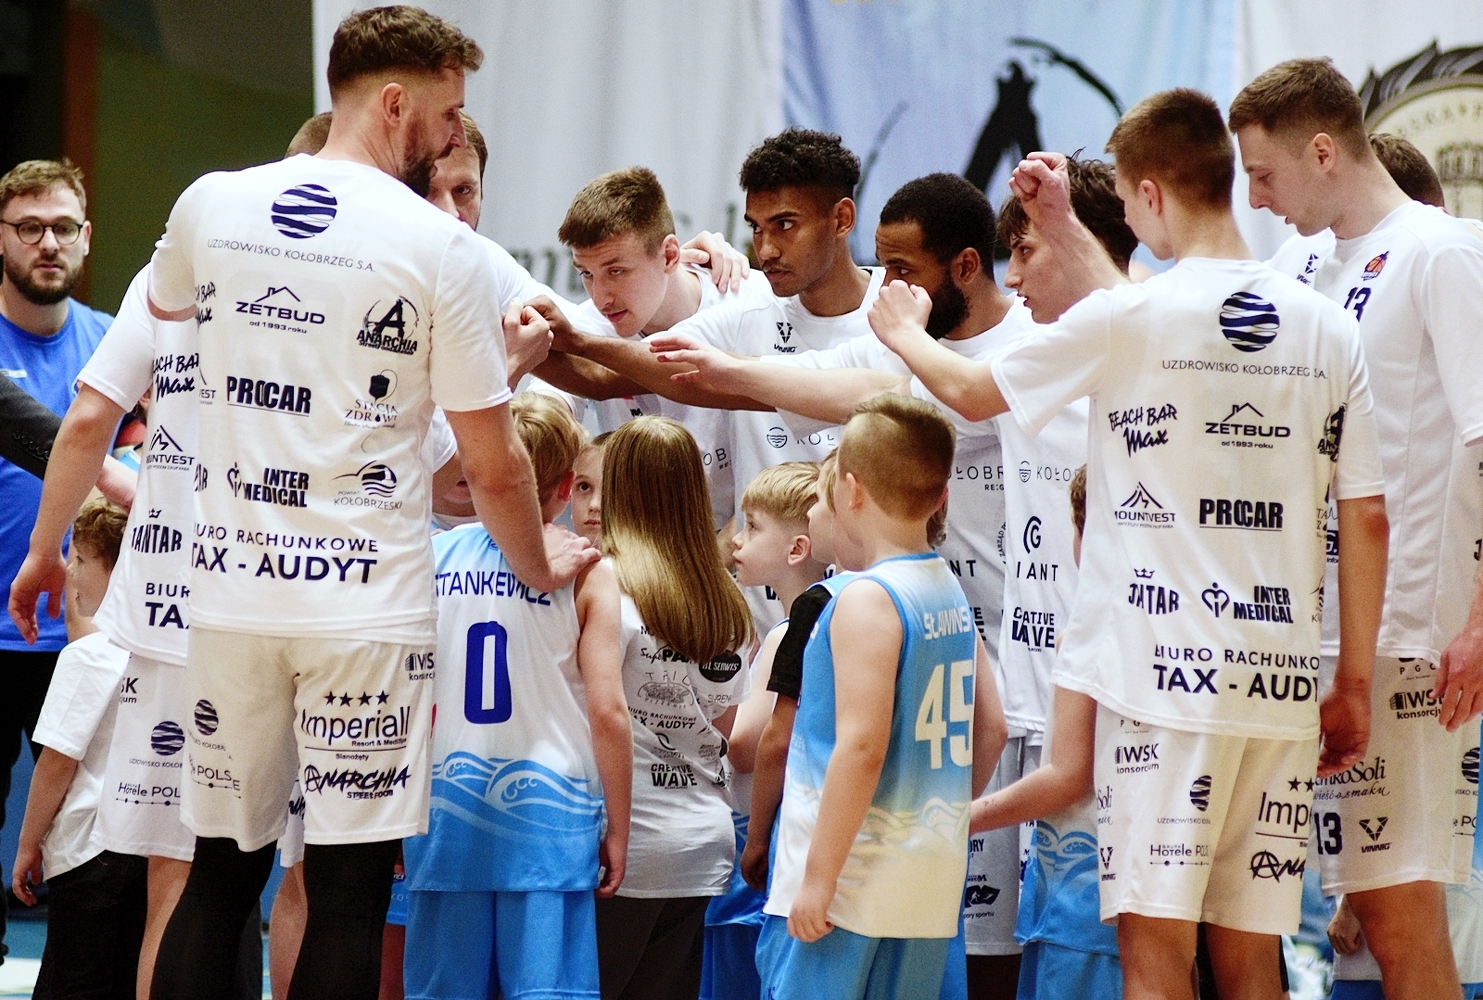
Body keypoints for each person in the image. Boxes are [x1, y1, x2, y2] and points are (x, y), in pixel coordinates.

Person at [22, 8, 597, 997]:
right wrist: (537, 564)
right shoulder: (440, 246)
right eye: (448, 114)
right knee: (345, 892)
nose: (452, 137)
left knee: (216, 875)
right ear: (395, 103)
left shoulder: (210, 203)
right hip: (365, 616)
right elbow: (497, 468)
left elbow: (159, 332)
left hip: (229, 602)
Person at [865, 89, 1391, 1000]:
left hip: (1160, 692)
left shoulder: (1129, 320)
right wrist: (1348, 683)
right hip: (1277, 690)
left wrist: (904, 333)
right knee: (1248, 962)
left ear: (1147, 195)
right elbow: (1368, 517)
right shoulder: (1324, 322)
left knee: (1152, 962)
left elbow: (973, 390)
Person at [1231, 58, 1483, 1000]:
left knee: (1396, 917)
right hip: (1303, 637)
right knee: (1258, 907)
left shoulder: (1439, 252)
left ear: (1322, 151)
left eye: (1264, 175)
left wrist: (1479, 622)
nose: (1256, 199)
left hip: (1408, 642)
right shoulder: (1295, 264)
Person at [543, 129, 886, 631]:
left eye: (784, 225)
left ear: (842, 219)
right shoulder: (747, 306)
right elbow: (640, 371)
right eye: (756, 228)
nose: (766, 248)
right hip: (756, 622)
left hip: (873, 605)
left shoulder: (899, 313)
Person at [758, 394, 1005, 1000]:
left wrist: (819, 880)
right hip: (926, 881)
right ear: (942, 496)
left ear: (851, 490)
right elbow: (992, 728)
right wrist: (941, 817)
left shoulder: (865, 597)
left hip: (848, 882)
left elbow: (862, 745)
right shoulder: (947, 586)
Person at [401, 393, 631, 1000]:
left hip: (443, 811)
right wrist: (620, 828)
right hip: (551, 820)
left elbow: (400, 689)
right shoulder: (588, 571)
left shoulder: (430, 556)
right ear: (566, 487)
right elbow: (608, 712)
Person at [595, 416, 753, 1000]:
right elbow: (724, 726)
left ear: (618, 488)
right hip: (701, 843)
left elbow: (601, 713)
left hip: (624, 844)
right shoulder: (726, 598)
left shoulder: (603, 581)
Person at [0, 156, 114, 953]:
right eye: (29, 227)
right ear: (1, 238)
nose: (48, 243)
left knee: (86, 837)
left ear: (86, 237)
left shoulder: (117, 349)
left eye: (63, 227)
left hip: (85, 637)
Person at [532, 166, 773, 527]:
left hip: (748, 544)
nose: (601, 297)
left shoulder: (752, 303)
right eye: (586, 274)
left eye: (616, 271)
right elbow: (546, 410)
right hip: (637, 547)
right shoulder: (585, 323)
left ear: (670, 256)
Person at [969, 465, 1122, 1000]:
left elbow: (1068, 776)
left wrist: (961, 818)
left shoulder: (1091, 630)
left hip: (1080, 911)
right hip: (1122, 899)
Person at [11, 497, 145, 999]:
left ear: (119, 571)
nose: (70, 572)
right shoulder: (177, 651)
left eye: (82, 560)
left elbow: (55, 763)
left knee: (73, 983)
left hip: (89, 850)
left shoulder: (86, 658)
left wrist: (28, 845)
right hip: (152, 845)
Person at [706, 461, 827, 1000]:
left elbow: (745, 747)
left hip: (760, 845)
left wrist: (696, 705)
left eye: (752, 527)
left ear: (797, 549)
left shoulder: (786, 633)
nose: (736, 539)